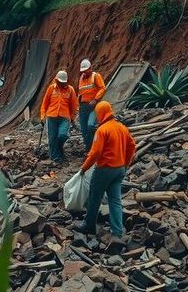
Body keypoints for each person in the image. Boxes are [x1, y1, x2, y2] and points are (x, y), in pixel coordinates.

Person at [77, 101, 136, 237]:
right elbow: (132, 146)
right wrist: (125, 164)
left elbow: (95, 153)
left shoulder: (102, 130)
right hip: (119, 170)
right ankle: (117, 232)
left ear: (100, 113)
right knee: (115, 201)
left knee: (94, 197)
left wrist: (84, 168)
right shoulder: (122, 127)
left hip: (105, 169)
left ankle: (88, 225)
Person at [39, 70, 78, 162]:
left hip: (65, 117)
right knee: (52, 137)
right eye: (59, 82)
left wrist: (72, 117)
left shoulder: (70, 90)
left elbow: (74, 105)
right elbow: (44, 104)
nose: (61, 84)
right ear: (56, 80)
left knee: (63, 135)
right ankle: (55, 157)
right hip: (51, 116)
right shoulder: (51, 88)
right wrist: (42, 116)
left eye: (63, 82)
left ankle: (59, 149)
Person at [77, 59, 107, 150]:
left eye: (86, 70)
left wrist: (95, 99)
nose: (84, 72)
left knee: (90, 125)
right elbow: (80, 93)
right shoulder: (81, 78)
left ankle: (96, 146)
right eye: (83, 71)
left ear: (90, 68)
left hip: (93, 106)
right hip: (83, 107)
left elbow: (102, 88)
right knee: (84, 129)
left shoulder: (96, 76)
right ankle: (89, 148)